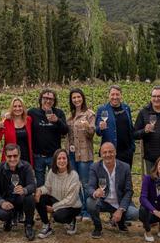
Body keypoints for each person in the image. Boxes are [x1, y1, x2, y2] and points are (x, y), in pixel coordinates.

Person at [86, 142, 140, 238]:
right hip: (104, 202)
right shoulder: (95, 167)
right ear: (101, 154)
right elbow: (89, 187)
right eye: (105, 152)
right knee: (90, 202)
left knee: (134, 214)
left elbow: (129, 191)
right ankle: (98, 227)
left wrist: (120, 209)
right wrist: (95, 192)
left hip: (119, 202)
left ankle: (121, 222)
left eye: (110, 152)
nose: (108, 155)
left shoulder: (125, 167)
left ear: (115, 153)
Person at [0, 144, 37, 240]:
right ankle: (9, 219)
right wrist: (2, 202)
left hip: (20, 199)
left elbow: (32, 185)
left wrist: (24, 190)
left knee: (30, 198)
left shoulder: (26, 166)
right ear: (5, 156)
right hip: (6, 200)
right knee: (2, 214)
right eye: (9, 156)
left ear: (19, 155)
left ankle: (28, 225)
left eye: (15, 156)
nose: (12, 159)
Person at [35, 149, 82, 238]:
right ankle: (46, 225)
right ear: (55, 161)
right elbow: (47, 188)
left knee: (58, 216)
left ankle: (71, 220)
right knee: (38, 198)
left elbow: (71, 200)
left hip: (72, 206)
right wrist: (39, 191)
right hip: (57, 199)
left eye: (64, 158)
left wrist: (53, 208)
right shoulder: (52, 172)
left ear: (68, 160)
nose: (62, 161)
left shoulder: (73, 175)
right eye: (59, 158)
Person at [28, 88, 68, 186]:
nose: (48, 100)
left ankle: (53, 201)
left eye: (51, 99)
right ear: (41, 99)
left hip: (54, 156)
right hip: (38, 156)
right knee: (40, 184)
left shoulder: (59, 113)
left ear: (54, 101)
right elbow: (19, 118)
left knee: (55, 183)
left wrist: (57, 121)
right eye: (45, 98)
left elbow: (65, 131)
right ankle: (42, 201)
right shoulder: (33, 112)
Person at [67, 88, 95, 217]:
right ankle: (79, 208)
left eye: (78, 97)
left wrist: (88, 127)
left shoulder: (89, 114)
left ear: (82, 98)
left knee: (85, 183)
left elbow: (91, 134)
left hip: (84, 154)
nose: (76, 100)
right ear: (71, 100)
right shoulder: (70, 116)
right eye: (74, 98)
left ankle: (87, 211)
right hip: (71, 154)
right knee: (75, 183)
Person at [95, 85, 135, 166]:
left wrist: (132, 147)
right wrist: (100, 128)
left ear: (121, 95)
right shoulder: (102, 109)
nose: (115, 97)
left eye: (117, 94)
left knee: (125, 176)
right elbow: (98, 131)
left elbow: (130, 127)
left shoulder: (126, 108)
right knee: (110, 177)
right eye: (112, 94)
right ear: (109, 95)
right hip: (110, 152)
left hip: (126, 151)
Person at [0, 96, 34, 164]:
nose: (17, 108)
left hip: (26, 157)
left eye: (20, 106)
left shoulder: (28, 120)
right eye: (15, 106)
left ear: (23, 107)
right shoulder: (6, 121)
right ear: (11, 108)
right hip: (11, 158)